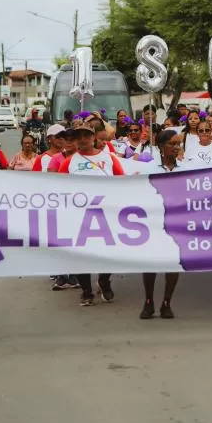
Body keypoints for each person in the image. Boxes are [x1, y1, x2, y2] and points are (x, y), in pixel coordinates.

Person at [58, 125, 124, 305]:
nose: (82, 139)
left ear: (93, 137)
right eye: (77, 136)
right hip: (79, 216)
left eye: (86, 135)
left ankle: (104, 280)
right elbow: (58, 188)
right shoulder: (68, 162)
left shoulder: (109, 159)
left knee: (109, 252)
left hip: (106, 214)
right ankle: (86, 291)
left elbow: (123, 182)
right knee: (82, 254)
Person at [141, 130, 187, 320]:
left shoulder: (186, 169)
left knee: (173, 263)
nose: (176, 148)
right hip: (153, 222)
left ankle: (167, 302)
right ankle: (149, 301)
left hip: (176, 223)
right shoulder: (148, 169)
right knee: (150, 264)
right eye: (172, 144)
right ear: (160, 147)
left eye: (178, 144)